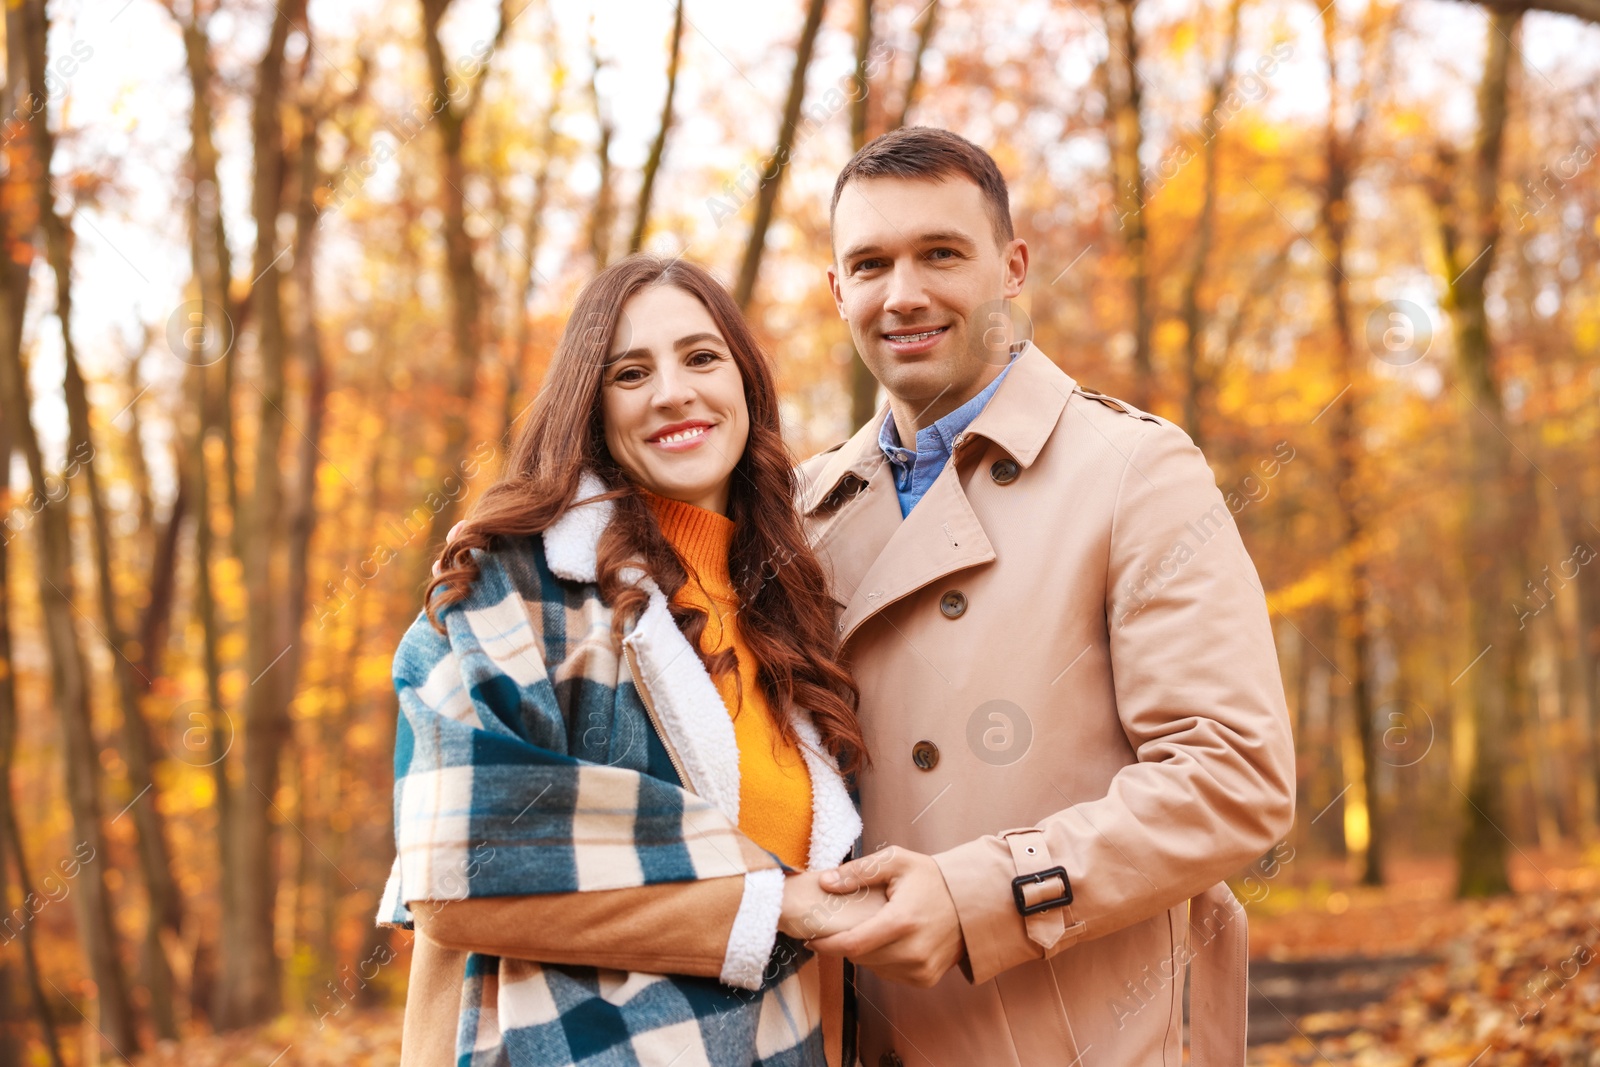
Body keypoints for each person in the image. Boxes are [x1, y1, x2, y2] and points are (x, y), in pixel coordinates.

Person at [795, 126, 1297, 1065]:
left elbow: (1235, 775)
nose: (903, 293)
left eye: (940, 254)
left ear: (1013, 266)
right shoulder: (803, 507)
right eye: (869, 263)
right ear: (837, 291)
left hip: (1074, 1038)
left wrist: (982, 894)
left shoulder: (1134, 471)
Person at [377, 254, 883, 1067]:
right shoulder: (516, 584)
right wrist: (774, 903)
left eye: (702, 357)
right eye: (631, 372)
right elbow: (453, 859)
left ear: (746, 384)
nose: (674, 391)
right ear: (592, 404)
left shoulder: (792, 607)